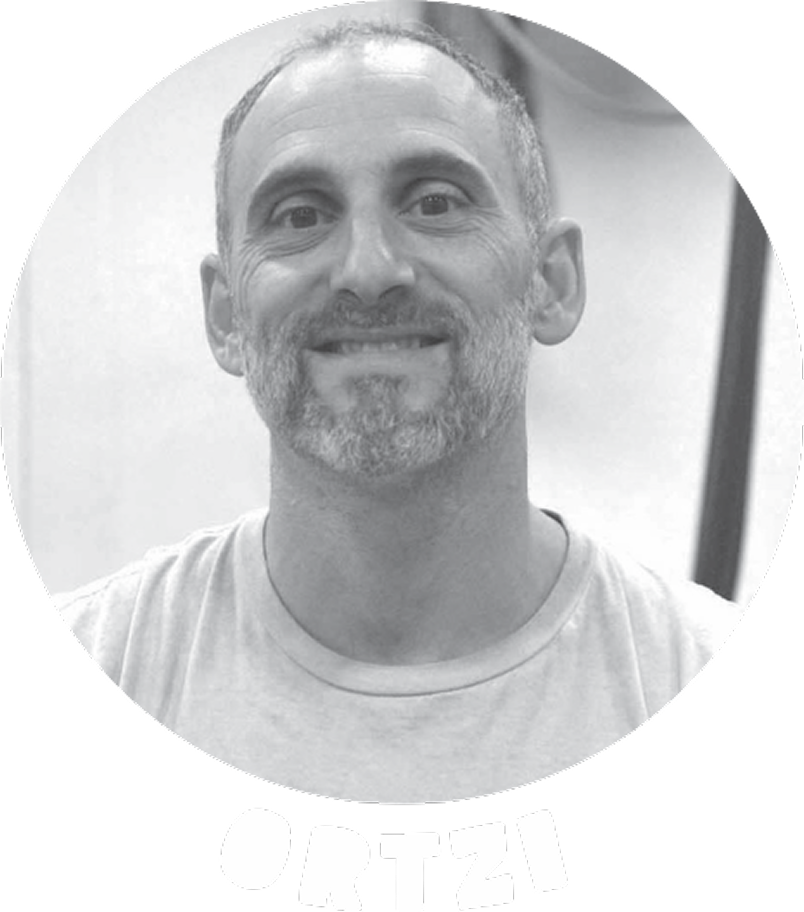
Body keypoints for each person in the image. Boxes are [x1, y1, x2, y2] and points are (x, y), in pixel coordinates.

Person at [53, 21, 744, 803]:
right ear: (225, 316)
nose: (369, 268)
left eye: (436, 203)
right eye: (300, 216)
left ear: (551, 282)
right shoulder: (112, 659)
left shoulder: (688, 665)